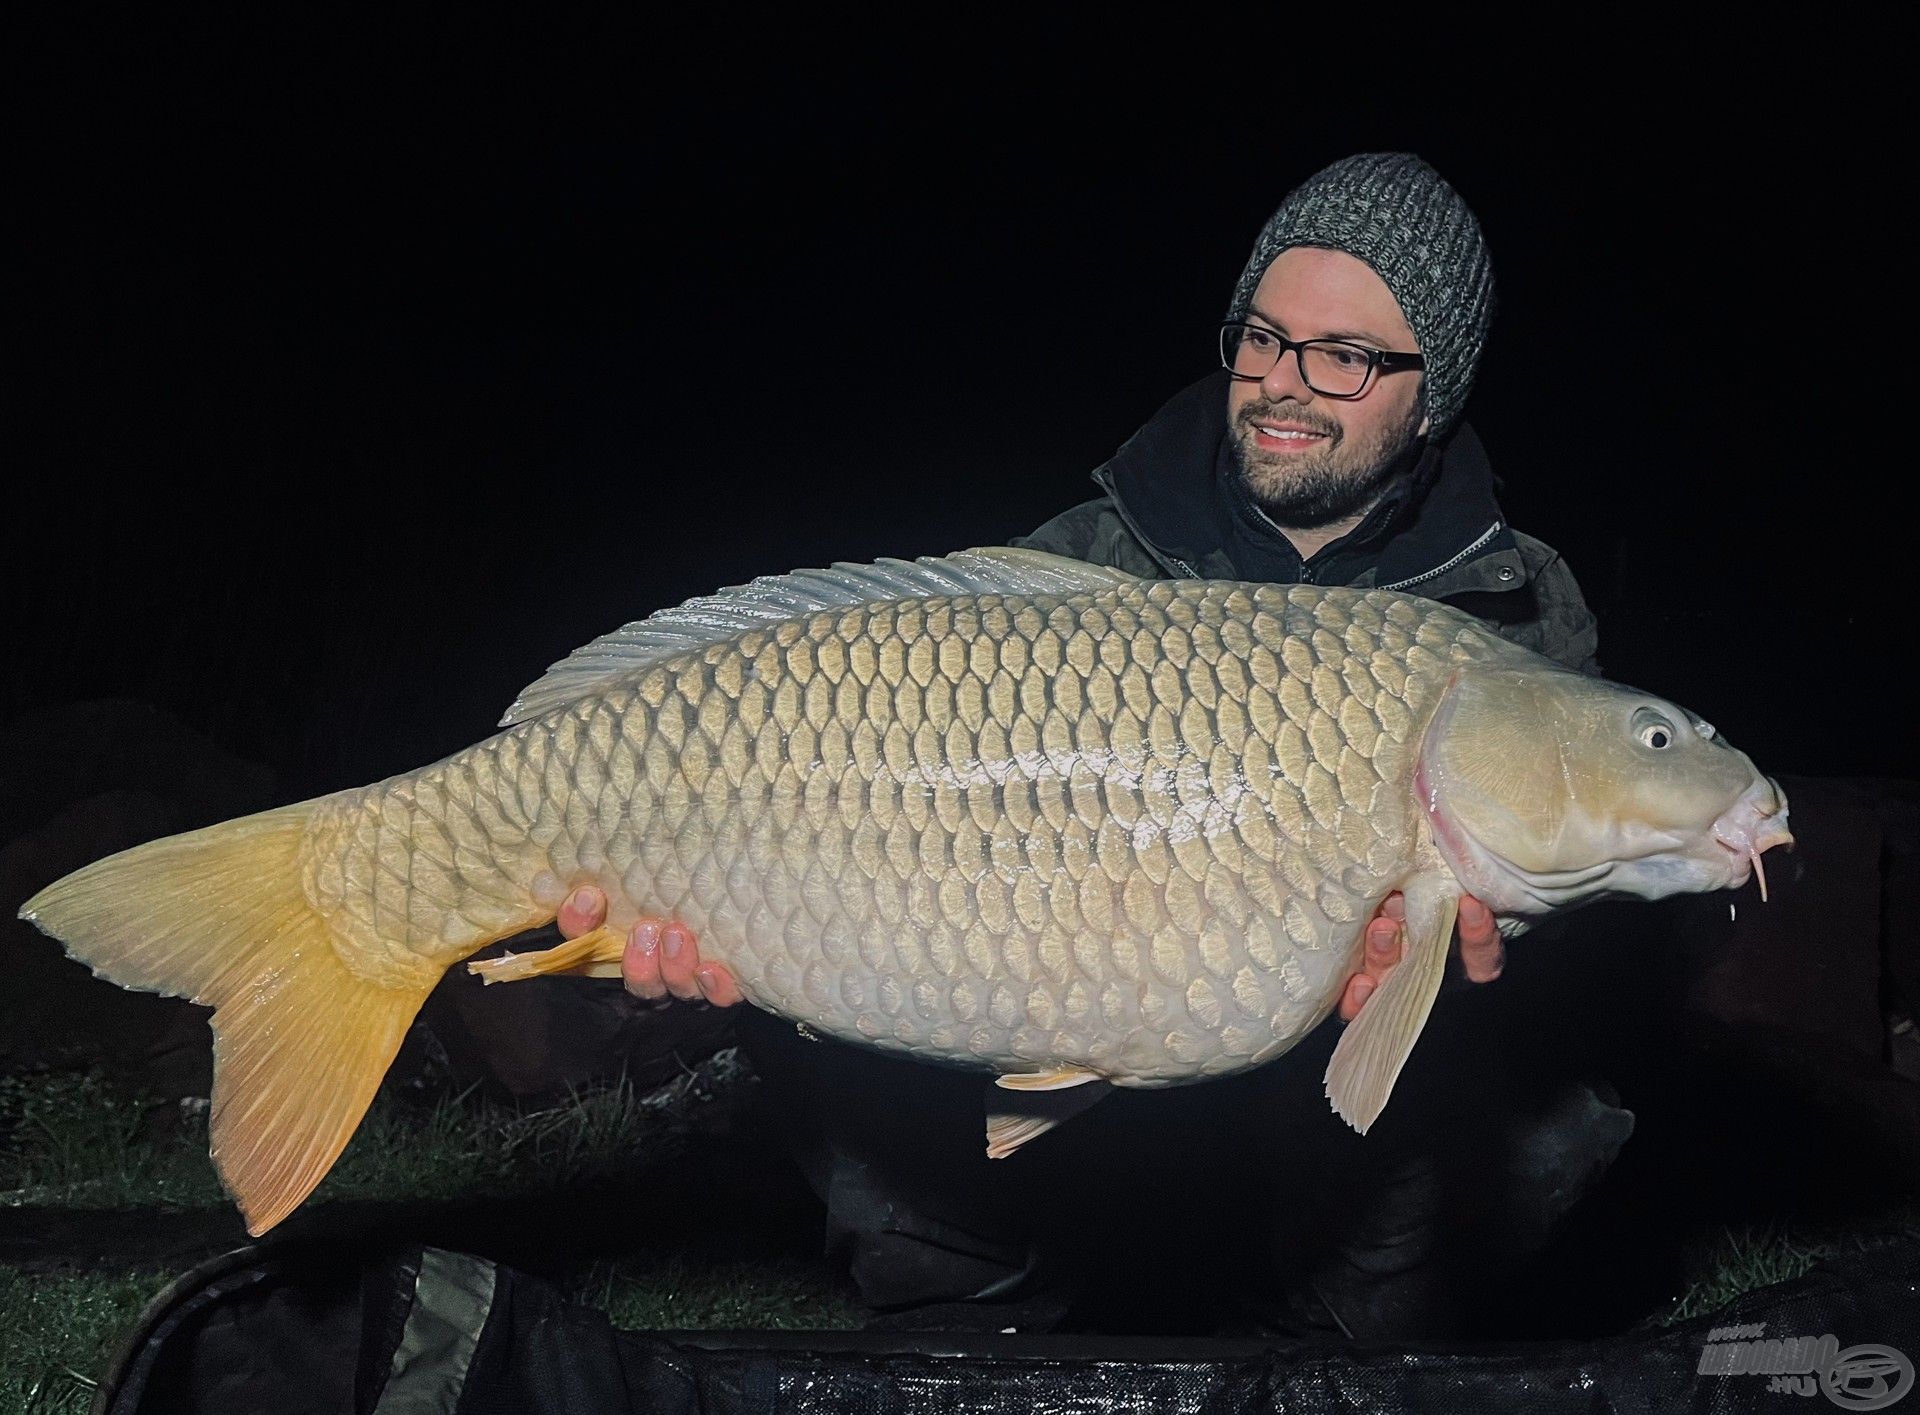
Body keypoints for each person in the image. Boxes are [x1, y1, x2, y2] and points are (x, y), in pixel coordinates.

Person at [561, 153, 1629, 1336]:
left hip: (1331, 1132)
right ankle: (967, 1327)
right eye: (1262, 339)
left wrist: (1495, 960)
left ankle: (1344, 1332)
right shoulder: (1086, 558)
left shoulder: (1515, 609)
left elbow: (1574, 910)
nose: (1282, 385)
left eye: (1345, 356)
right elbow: (881, 846)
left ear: (1432, 398)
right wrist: (716, 935)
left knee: (1514, 1105)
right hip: (1070, 1105)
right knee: (860, 1053)